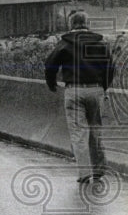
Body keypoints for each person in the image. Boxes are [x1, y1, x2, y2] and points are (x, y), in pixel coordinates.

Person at [44, 10, 115, 183]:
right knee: (95, 131)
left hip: (74, 91)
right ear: (87, 24)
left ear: (71, 24)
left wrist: (51, 82)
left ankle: (84, 173)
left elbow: (50, 64)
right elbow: (110, 67)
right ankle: (98, 170)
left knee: (79, 133)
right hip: (96, 90)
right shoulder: (100, 43)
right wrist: (102, 87)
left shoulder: (65, 43)